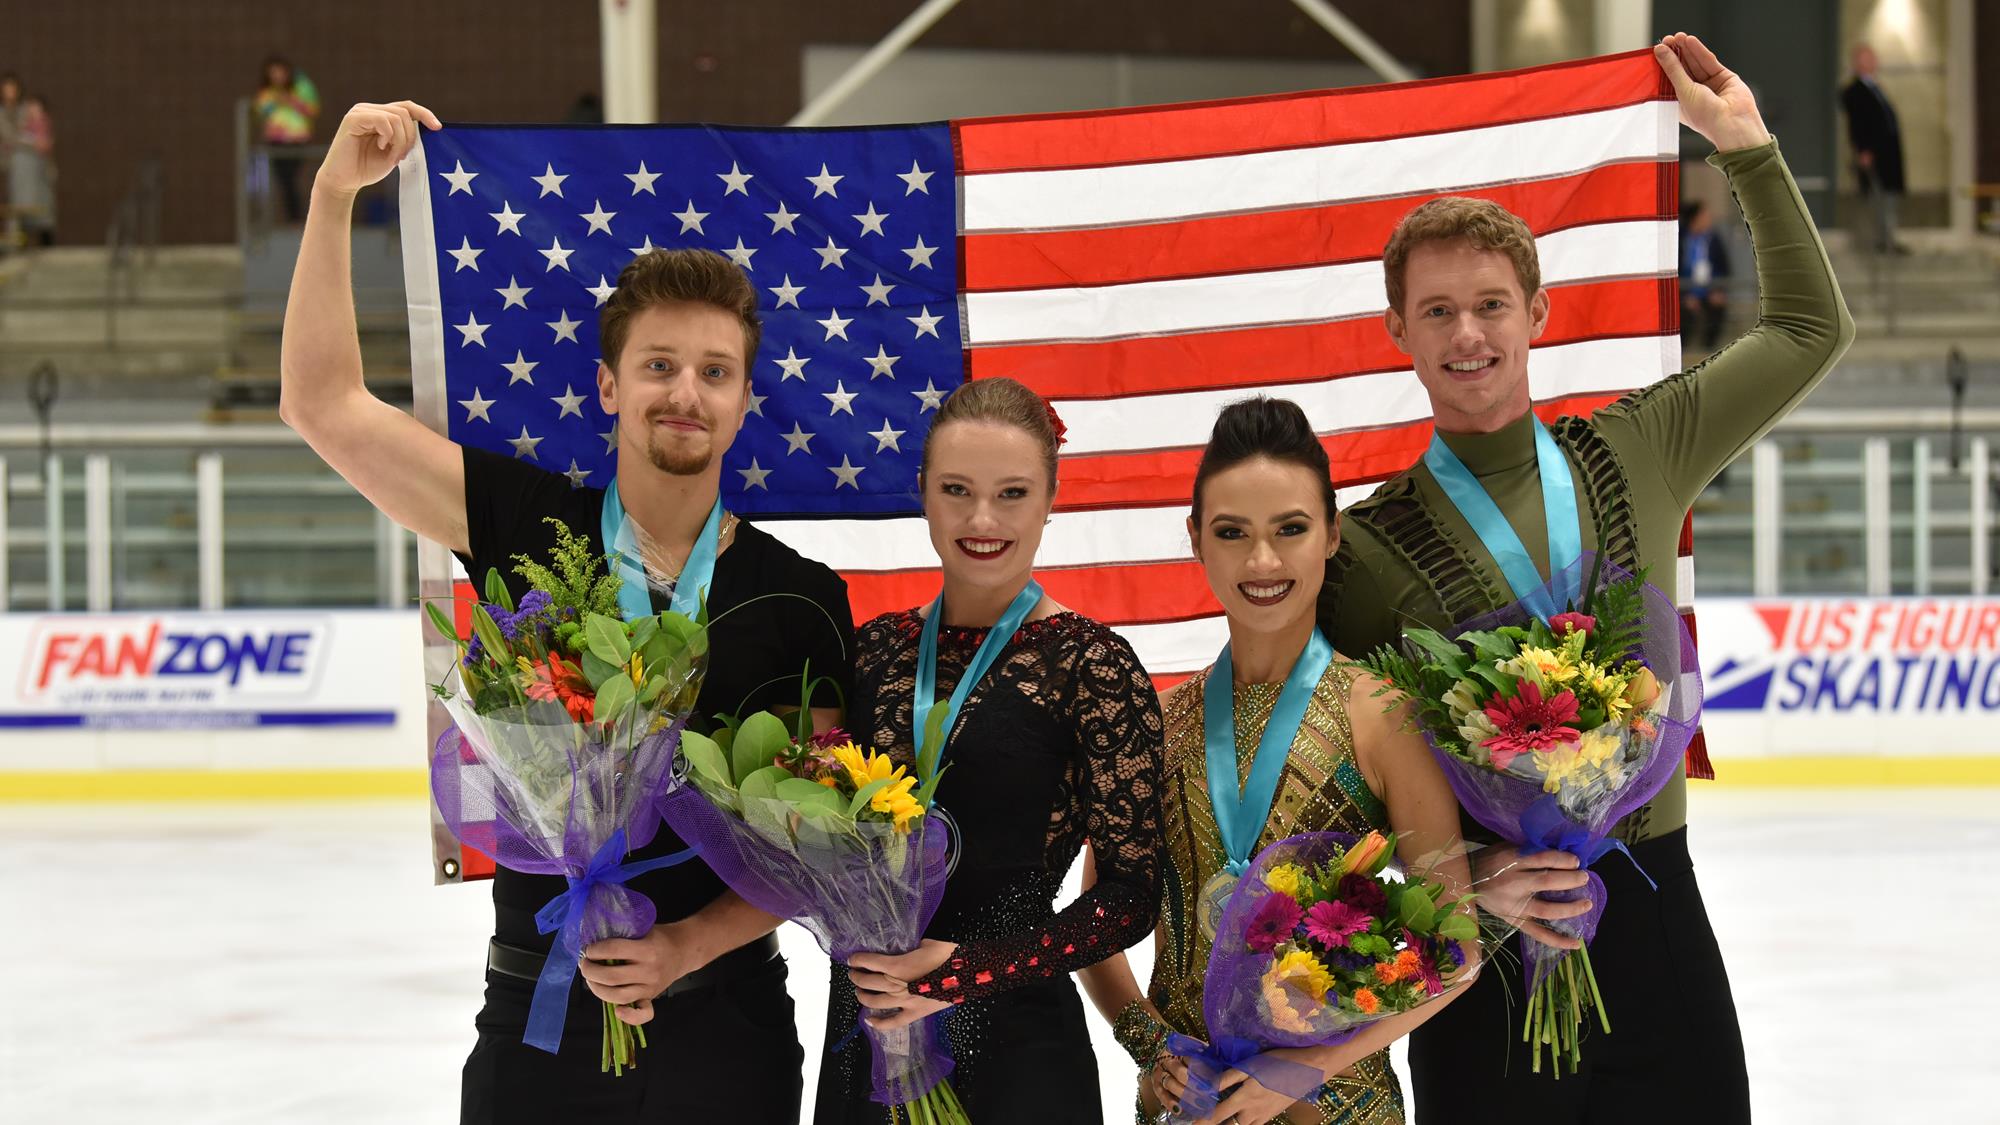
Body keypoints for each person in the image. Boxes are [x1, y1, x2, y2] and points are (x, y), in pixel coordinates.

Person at [279, 101, 853, 1124]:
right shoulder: (519, 523)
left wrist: (685, 946)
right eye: (659, 366)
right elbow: (323, 404)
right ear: (607, 385)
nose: (685, 392)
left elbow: (809, 842)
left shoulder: (803, 597)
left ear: (744, 398)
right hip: (536, 1016)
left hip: (726, 1033)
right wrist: (331, 197)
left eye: (714, 373)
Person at [1321, 35, 1853, 1124]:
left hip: (1657, 920)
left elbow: (1809, 328)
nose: (1466, 333)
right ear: (1396, 334)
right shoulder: (1361, 552)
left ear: (1536, 315)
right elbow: (1323, 790)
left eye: (1488, 305)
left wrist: (1744, 149)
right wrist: (1461, 876)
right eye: (1435, 312)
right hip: (1485, 956)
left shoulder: (1640, 443)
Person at [1078, 397, 1477, 1125]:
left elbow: (1456, 947)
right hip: (1188, 1104)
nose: (1262, 561)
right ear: (1196, 538)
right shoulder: (1161, 722)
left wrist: (1307, 1066)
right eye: (1232, 533)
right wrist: (1151, 1044)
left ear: (1330, 531)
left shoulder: (1381, 714)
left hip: (1338, 1105)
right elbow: (1093, 917)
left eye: (1289, 529)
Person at [815, 377, 1165, 1123]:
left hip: (1019, 1048)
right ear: (923, 492)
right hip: (869, 1027)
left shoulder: (1092, 665)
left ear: (1049, 497)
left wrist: (963, 971)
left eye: (1011, 493)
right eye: (956, 489)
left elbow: (1131, 894)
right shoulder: (873, 650)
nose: (982, 518)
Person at [1840, 42, 1909, 255]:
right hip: (1874, 154)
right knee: (1877, 198)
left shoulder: (1875, 87)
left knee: (1888, 199)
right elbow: (1858, 123)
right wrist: (1864, 150)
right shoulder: (1854, 91)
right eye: (1868, 58)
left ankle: (1888, 239)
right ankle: (1880, 240)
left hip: (1887, 154)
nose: (1873, 62)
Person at [255, 56, 320, 223]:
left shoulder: (301, 88)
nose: (277, 77)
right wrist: (276, 101)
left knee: (292, 178)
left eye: (280, 72)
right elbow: (261, 112)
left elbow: (312, 110)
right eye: (273, 73)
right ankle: (294, 217)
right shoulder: (267, 93)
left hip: (296, 139)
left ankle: (298, 216)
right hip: (276, 140)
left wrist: (290, 101)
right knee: (284, 180)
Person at [1, 75, 55, 248]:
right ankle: (16, 239)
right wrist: (32, 143)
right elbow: (10, 137)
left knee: (40, 201)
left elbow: (40, 131)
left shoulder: (26, 109)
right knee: (16, 203)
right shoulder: (2, 114)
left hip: (33, 166)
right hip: (11, 164)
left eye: (12, 89)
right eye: (6, 89)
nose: (10, 93)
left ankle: (42, 233)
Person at [1679, 201, 1731, 352]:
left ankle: (1710, 350)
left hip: (1709, 290)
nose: (1708, 218)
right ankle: (1684, 351)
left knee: (1717, 308)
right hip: (1686, 291)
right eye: (1704, 215)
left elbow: (1725, 268)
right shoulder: (1681, 239)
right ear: (1694, 218)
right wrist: (1685, 295)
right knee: (1685, 313)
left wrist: (1718, 290)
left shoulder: (1713, 239)